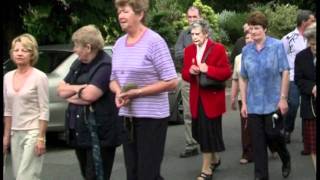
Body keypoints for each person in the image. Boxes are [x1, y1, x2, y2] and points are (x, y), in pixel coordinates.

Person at [109, 0, 178, 180]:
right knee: (132, 172)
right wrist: (118, 92)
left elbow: (171, 81)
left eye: (125, 11)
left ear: (139, 14)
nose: (120, 16)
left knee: (147, 172)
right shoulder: (118, 44)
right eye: (119, 12)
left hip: (152, 117)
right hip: (128, 117)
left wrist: (138, 92)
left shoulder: (154, 41)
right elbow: (113, 79)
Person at [57, 25, 124, 180]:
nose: (74, 49)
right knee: (87, 176)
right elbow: (61, 90)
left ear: (88, 47)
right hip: (80, 132)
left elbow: (90, 95)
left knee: (96, 176)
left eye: (76, 46)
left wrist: (72, 91)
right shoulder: (78, 63)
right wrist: (80, 88)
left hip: (100, 134)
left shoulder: (105, 65)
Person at [239, 11, 291, 180]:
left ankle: (285, 157)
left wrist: (283, 98)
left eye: (257, 28)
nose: (253, 32)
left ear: (265, 29)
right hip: (254, 105)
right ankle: (260, 176)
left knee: (274, 135)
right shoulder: (246, 50)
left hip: (273, 103)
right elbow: (244, 78)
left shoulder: (276, 46)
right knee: (258, 144)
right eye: (251, 28)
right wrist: (244, 104)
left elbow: (284, 71)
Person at [182, 19, 232, 180]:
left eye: (198, 34)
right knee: (198, 132)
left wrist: (207, 69)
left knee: (207, 132)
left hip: (212, 99)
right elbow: (184, 74)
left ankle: (206, 170)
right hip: (196, 98)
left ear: (206, 34)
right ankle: (215, 158)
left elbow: (226, 72)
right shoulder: (189, 50)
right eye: (192, 34)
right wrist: (190, 71)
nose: (194, 37)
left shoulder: (217, 48)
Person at [3, 33, 49, 180]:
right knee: (19, 174)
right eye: (16, 50)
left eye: (24, 50)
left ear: (32, 54)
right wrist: (6, 136)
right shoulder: (7, 77)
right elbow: (8, 110)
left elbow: (44, 109)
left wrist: (41, 138)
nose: (20, 53)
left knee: (25, 177)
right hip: (15, 133)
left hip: (33, 132)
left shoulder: (39, 77)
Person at [281, 10, 315, 143]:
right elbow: (282, 57)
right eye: (312, 20)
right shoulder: (288, 39)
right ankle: (287, 129)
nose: (314, 22)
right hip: (293, 77)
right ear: (303, 22)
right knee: (293, 104)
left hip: (310, 79)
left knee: (308, 106)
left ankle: (306, 136)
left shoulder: (313, 36)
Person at [174, 6, 201, 158]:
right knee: (189, 112)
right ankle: (191, 144)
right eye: (189, 17)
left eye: (194, 17)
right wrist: (191, 51)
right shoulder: (183, 34)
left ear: (200, 17)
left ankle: (207, 142)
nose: (191, 20)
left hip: (205, 78)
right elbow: (177, 53)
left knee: (205, 111)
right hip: (188, 79)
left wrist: (188, 52)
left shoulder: (208, 32)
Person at [230, 32, 254, 165]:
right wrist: (233, 97)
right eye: (247, 38)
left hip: (259, 97)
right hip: (243, 97)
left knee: (263, 126)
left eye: (251, 37)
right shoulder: (238, 58)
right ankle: (247, 153)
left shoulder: (261, 55)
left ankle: (272, 145)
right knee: (245, 126)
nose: (249, 40)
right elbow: (235, 79)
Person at [294, 22, 316, 156]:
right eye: (312, 44)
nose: (315, 47)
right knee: (313, 149)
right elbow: (298, 80)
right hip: (309, 103)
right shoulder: (301, 57)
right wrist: (312, 87)